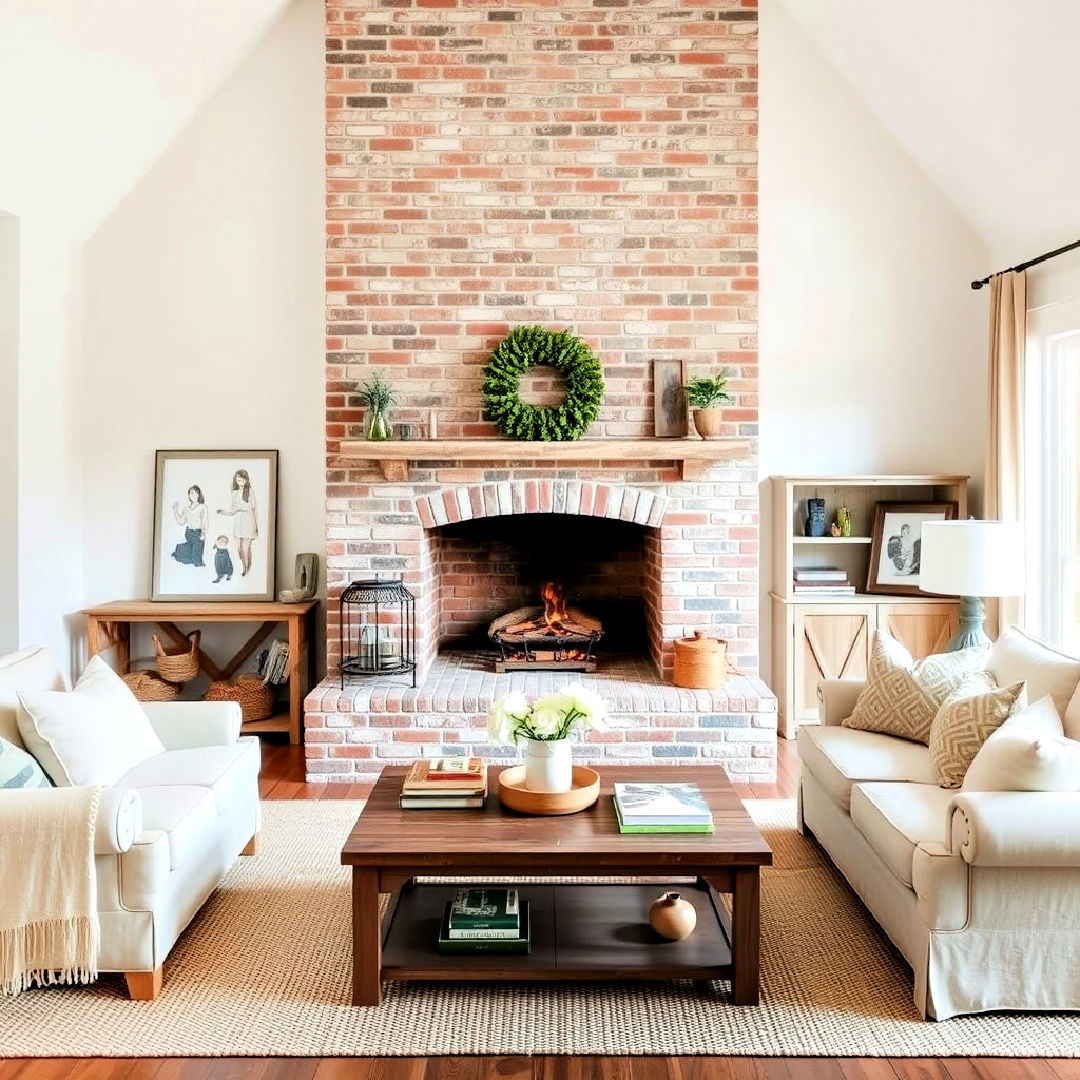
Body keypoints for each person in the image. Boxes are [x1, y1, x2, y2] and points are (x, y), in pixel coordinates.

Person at [217, 469, 259, 577]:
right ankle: (247, 564)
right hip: (239, 522)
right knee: (240, 548)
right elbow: (232, 511)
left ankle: (246, 568)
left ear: (246, 480)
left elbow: (254, 509)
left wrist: (256, 525)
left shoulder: (250, 491)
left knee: (245, 548)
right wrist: (222, 512)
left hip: (249, 521)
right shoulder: (235, 493)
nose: (240, 480)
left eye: (242, 478)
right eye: (238, 478)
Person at [171, 485, 207, 567]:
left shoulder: (202, 507)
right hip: (189, 532)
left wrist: (203, 533)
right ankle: (180, 552)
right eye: (191, 493)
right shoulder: (186, 509)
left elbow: (205, 522)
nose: (193, 495)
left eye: (195, 493)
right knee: (195, 560)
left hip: (198, 533)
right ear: (189, 496)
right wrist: (175, 510)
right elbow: (181, 522)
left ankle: (181, 553)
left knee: (196, 560)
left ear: (199, 495)